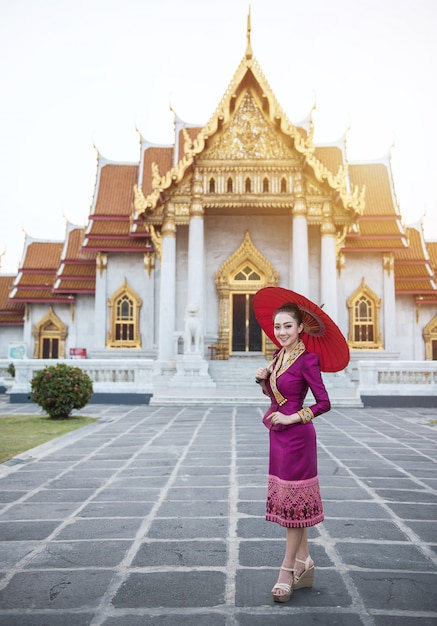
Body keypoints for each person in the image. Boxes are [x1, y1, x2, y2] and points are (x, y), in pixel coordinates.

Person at [255, 302, 331, 603]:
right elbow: (278, 395)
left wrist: (293, 417)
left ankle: (287, 570)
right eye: (277, 327)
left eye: (288, 326)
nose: (282, 332)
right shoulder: (278, 357)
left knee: (293, 510)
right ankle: (305, 561)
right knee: (291, 505)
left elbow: (323, 403)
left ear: (300, 328)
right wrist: (264, 381)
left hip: (298, 438)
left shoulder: (307, 360)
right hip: (279, 438)